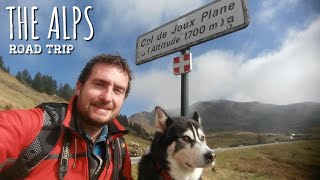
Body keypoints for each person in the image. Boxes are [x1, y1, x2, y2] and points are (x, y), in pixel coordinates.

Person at [0, 54, 134, 179]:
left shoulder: (119, 147)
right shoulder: (41, 125)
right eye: (99, 84)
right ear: (79, 87)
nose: (107, 97)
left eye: (117, 90)